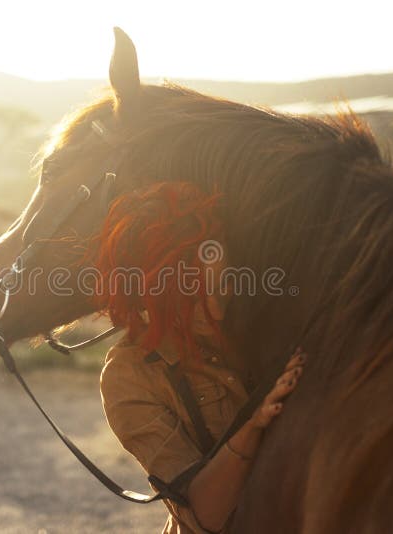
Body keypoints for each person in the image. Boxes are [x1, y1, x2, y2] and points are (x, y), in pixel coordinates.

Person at [94, 182, 305, 533]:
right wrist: (254, 425)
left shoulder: (258, 320)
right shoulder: (129, 376)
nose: (221, 304)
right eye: (198, 294)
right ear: (154, 295)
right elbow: (202, 515)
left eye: (224, 284)